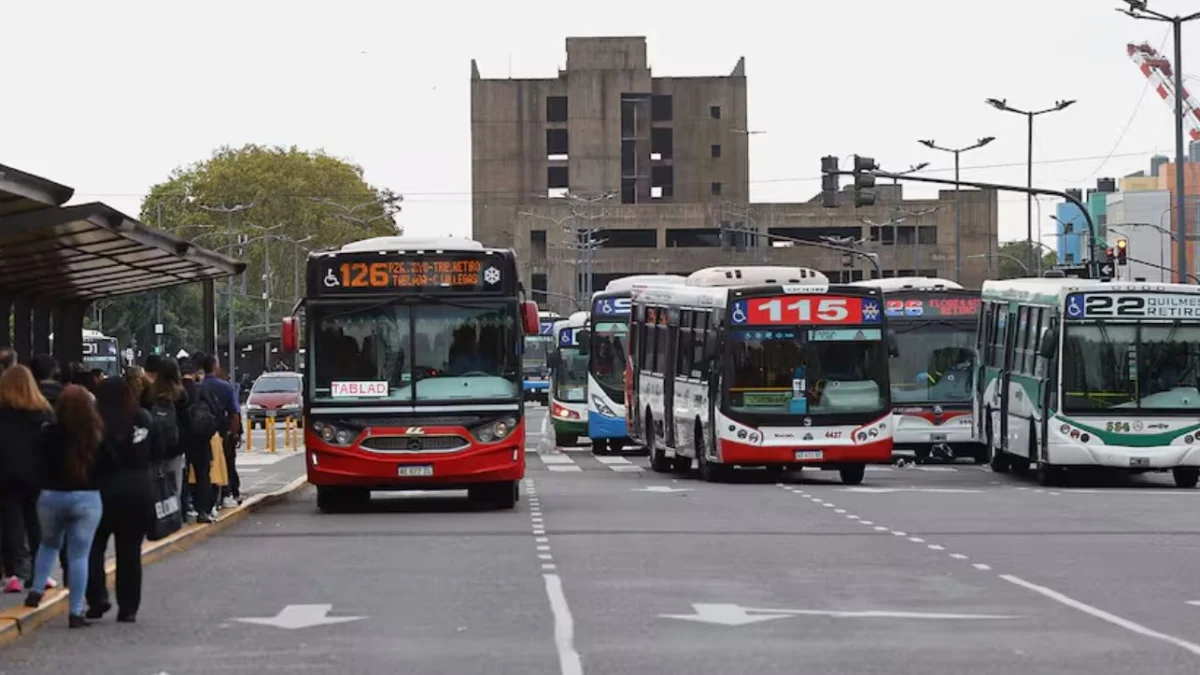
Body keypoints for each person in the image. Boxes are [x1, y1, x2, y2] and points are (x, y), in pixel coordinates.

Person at [24, 385, 104, 628]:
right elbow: (108, 465)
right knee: (79, 555)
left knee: (48, 544)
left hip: (52, 496)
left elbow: (35, 461)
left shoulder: (48, 433)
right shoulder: (96, 434)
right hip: (87, 497)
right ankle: (76, 612)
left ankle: (36, 590)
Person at [85, 377, 160, 623]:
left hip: (100, 489)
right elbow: (159, 450)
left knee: (93, 547)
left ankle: (97, 598)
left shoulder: (93, 421)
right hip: (137, 489)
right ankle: (128, 607)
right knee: (129, 551)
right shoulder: (143, 418)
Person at [0, 365, 54, 594]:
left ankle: (14, 574)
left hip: (6, 475)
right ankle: (40, 573)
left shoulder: (2, 411)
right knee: (36, 523)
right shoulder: (42, 411)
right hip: (37, 475)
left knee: (11, 524)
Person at [143, 358, 188, 517]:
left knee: (157, 483)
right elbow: (185, 420)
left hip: (155, 446)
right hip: (175, 446)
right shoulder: (180, 393)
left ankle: (158, 516)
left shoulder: (150, 392)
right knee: (175, 484)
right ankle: (174, 516)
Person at [200, 354, 241, 507]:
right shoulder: (225, 387)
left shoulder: (200, 387)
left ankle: (212, 496)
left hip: (203, 432)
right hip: (223, 431)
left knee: (206, 466)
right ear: (215, 367)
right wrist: (235, 433)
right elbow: (234, 413)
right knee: (227, 464)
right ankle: (229, 492)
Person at [180, 359, 216, 522]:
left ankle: (182, 511)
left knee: (181, 476)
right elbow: (215, 411)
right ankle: (203, 510)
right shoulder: (200, 390)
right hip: (200, 439)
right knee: (203, 475)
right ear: (195, 374)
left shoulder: (175, 391)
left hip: (180, 440)